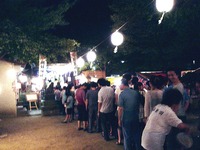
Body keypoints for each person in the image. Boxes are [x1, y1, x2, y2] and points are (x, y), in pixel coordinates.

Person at [166, 68, 190, 150]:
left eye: (172, 75)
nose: (171, 77)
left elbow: (176, 103)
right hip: (179, 115)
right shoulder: (173, 86)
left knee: (175, 141)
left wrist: (179, 112)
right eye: (169, 75)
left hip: (177, 116)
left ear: (177, 75)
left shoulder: (179, 87)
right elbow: (187, 101)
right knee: (177, 141)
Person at [118, 78, 142, 150]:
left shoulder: (122, 94)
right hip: (136, 117)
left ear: (123, 84)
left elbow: (120, 108)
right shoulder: (136, 92)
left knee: (127, 137)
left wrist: (119, 119)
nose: (119, 86)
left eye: (120, 84)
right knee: (137, 136)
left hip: (126, 118)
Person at [115, 73, 132, 145]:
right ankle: (127, 140)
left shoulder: (118, 88)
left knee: (119, 125)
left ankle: (119, 139)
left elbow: (116, 100)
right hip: (128, 110)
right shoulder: (131, 88)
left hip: (119, 108)